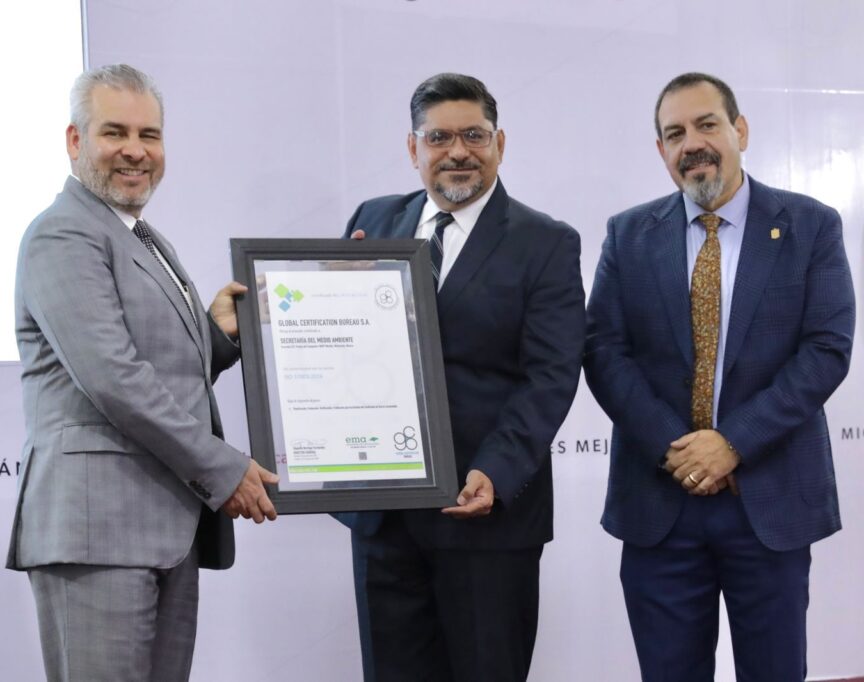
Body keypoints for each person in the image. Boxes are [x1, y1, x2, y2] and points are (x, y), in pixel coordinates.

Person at [6, 64, 278, 682]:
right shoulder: (64, 233)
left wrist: (214, 335)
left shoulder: (143, 237)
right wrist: (224, 468)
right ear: (75, 140)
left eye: (149, 135)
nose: (135, 150)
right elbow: (113, 379)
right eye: (115, 132)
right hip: (98, 534)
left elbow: (155, 369)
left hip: (164, 527)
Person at [584, 72, 855, 681]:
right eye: (674, 133)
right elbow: (603, 350)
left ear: (741, 130)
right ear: (661, 150)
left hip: (769, 498)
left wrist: (732, 443)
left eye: (707, 124)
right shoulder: (628, 235)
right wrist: (678, 450)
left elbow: (826, 350)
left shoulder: (811, 225)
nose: (692, 143)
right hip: (660, 501)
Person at [336, 72, 586, 681]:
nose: (457, 152)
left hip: (485, 517)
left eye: (474, 135)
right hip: (385, 519)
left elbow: (550, 376)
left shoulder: (546, 241)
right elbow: (340, 343)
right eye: (439, 137)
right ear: (412, 148)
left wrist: (496, 471)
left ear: (500, 143)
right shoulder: (374, 219)